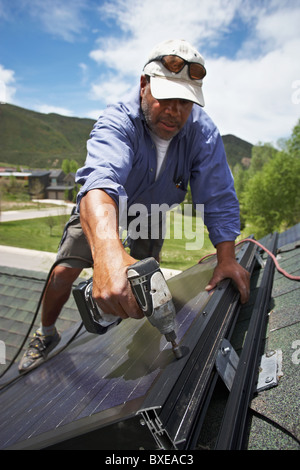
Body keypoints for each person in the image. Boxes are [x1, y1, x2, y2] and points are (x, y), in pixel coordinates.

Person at [18, 39, 250, 373]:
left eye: (185, 102)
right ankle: (47, 333)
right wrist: (108, 256)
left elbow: (218, 194)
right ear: (144, 85)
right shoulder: (118, 119)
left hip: (153, 214)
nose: (174, 111)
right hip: (106, 206)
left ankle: (133, 334)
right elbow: (100, 180)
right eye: (165, 97)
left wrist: (226, 258)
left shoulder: (203, 132)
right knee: (63, 272)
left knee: (142, 283)